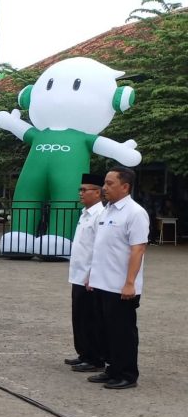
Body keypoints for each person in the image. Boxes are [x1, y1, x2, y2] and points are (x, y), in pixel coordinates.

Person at [86, 167, 149, 390]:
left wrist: (130, 283)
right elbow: (100, 247)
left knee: (122, 332)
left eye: (110, 183)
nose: (104, 187)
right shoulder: (106, 211)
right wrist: (91, 275)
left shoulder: (135, 212)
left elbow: (138, 249)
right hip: (101, 282)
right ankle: (112, 369)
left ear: (125, 186)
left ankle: (127, 374)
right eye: (105, 183)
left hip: (120, 286)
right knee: (105, 330)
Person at [65, 174, 107, 372]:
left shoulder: (101, 215)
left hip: (89, 276)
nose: (80, 193)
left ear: (97, 192)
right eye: (79, 190)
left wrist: (93, 274)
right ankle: (83, 353)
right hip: (78, 274)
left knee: (90, 318)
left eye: (84, 190)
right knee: (79, 316)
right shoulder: (85, 213)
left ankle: (95, 358)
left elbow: (100, 247)